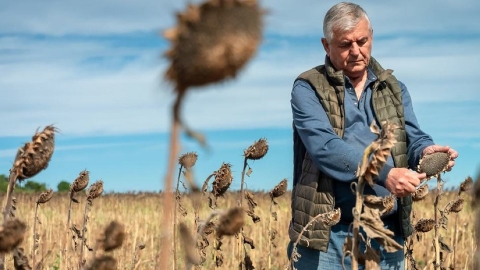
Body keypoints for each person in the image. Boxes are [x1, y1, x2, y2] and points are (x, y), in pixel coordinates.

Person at [287, 2, 458, 270]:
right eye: (345, 44)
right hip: (328, 235)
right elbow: (325, 147)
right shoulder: (308, 88)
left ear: (372, 37)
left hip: (386, 232)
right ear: (326, 45)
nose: (356, 51)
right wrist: (385, 174)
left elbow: (412, 138)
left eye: (362, 41)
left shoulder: (394, 88)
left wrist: (427, 152)